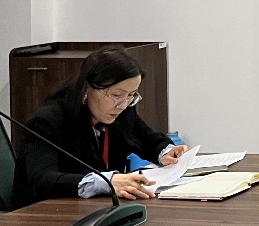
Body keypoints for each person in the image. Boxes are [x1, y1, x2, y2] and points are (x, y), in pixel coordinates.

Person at [15, 46, 187, 206]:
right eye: (117, 95)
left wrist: (165, 151)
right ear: (86, 89)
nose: (123, 105)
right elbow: (42, 179)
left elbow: (146, 138)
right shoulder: (47, 121)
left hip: (97, 210)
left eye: (131, 95)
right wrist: (105, 181)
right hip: (45, 214)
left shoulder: (122, 112)